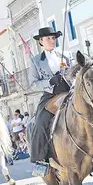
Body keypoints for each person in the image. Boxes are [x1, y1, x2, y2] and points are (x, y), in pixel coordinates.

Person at [28, 27, 71, 166]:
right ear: (41, 41)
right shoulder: (35, 61)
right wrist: (50, 81)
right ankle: (40, 160)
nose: (52, 41)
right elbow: (33, 84)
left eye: (53, 38)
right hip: (50, 95)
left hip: (69, 91)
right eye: (48, 38)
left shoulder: (65, 56)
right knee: (40, 122)